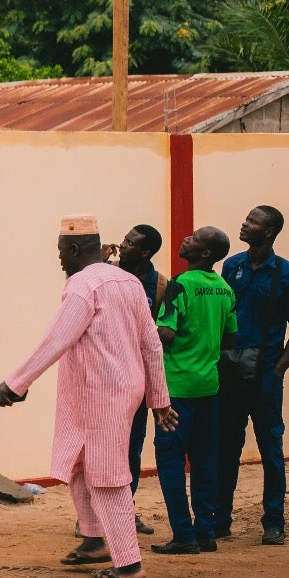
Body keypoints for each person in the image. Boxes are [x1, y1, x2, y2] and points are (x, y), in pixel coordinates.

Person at [0, 214, 175, 578]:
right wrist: (158, 398)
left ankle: (128, 565)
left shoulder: (82, 286)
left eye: (61, 251)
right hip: (107, 391)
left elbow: (57, 338)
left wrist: (15, 384)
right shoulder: (127, 282)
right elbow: (151, 344)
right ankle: (93, 540)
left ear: (74, 249)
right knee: (79, 463)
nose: (59, 258)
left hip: (102, 394)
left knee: (107, 476)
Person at [216, 205, 289, 545]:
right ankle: (220, 519)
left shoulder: (288, 275)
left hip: (265, 376)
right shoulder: (232, 266)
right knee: (226, 446)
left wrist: (277, 370)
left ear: (268, 232)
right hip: (230, 371)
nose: (244, 223)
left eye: (253, 221)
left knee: (271, 449)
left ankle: (274, 523)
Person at [149, 227, 234, 555]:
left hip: (177, 389)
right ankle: (205, 532)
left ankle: (183, 535)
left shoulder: (180, 285)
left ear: (204, 254)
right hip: (208, 387)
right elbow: (229, 339)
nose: (186, 238)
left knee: (170, 460)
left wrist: (147, 327)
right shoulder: (226, 290)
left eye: (195, 239)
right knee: (204, 460)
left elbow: (166, 335)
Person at [111, 223, 164, 535]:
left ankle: (124, 510)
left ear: (145, 252)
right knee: (101, 446)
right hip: (105, 378)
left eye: (130, 242)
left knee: (132, 447)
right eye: (125, 238)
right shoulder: (104, 272)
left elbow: (160, 337)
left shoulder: (160, 286)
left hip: (137, 380)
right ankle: (91, 517)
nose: (123, 244)